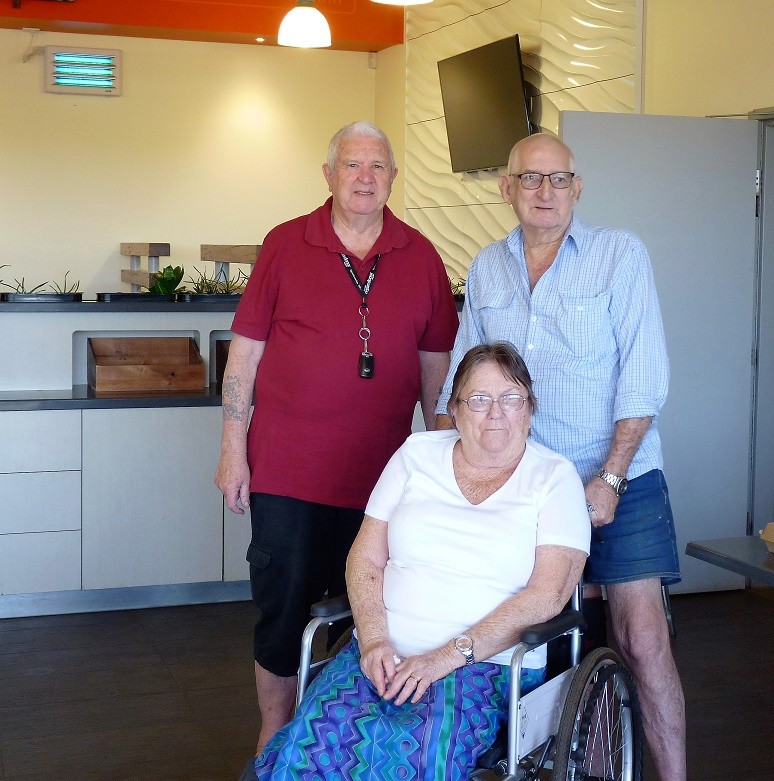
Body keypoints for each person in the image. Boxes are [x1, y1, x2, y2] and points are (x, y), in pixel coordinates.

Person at [435, 133, 685, 781]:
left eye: (558, 179)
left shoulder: (618, 255)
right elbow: (464, 379)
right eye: (530, 178)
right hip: (526, 487)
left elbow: (644, 378)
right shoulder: (488, 268)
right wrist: (441, 472)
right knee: (535, 637)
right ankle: (566, 761)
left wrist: (610, 477)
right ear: (506, 188)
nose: (544, 191)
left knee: (641, 638)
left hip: (621, 475)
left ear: (578, 188)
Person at [215, 121, 459, 758]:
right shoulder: (285, 244)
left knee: (366, 614)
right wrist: (232, 450)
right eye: (352, 164)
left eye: (377, 166)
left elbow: (437, 373)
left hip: (382, 484)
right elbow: (243, 358)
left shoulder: (422, 257)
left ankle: (332, 738)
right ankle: (274, 735)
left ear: (393, 178)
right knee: (283, 612)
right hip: (286, 475)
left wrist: (444, 467)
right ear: (328, 175)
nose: (365, 178)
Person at [251, 341, 590, 780]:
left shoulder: (554, 477)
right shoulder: (416, 454)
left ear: (529, 410)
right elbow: (365, 557)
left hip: (484, 666)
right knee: (311, 744)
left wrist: (445, 658)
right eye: (479, 399)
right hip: (381, 654)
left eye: (511, 398)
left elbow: (549, 595)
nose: (496, 413)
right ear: (454, 409)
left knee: (415, 751)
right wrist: (374, 641)